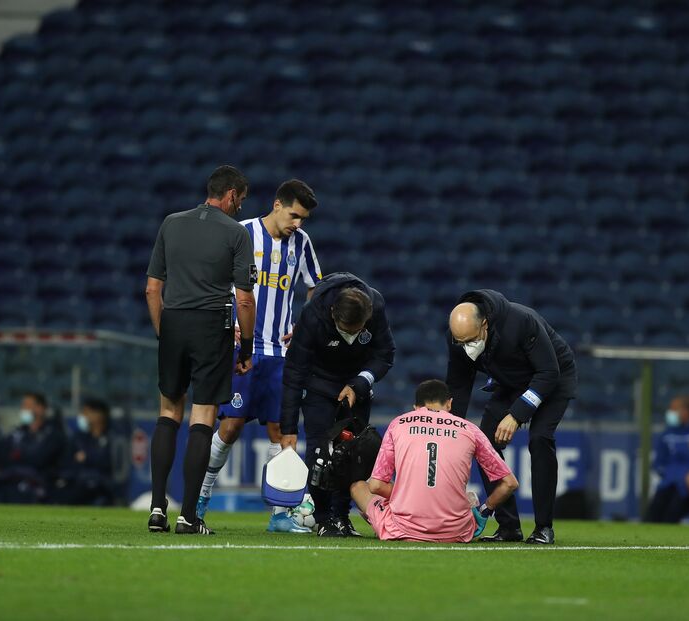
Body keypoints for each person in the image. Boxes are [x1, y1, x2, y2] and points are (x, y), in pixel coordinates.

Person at [197, 179, 322, 533]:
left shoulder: (302, 242)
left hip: (281, 353)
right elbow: (211, 277)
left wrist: (304, 325)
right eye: (295, 215)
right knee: (232, 425)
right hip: (242, 347)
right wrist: (226, 319)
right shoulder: (241, 232)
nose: (298, 223)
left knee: (280, 431)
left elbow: (316, 287)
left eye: (304, 219)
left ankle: (280, 515)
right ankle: (199, 499)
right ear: (278, 205)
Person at [144, 164, 257, 535]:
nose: (240, 206)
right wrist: (246, 347)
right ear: (230, 195)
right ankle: (188, 516)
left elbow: (152, 289)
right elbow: (244, 299)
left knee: (168, 410)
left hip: (173, 321)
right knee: (203, 414)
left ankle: (158, 508)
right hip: (212, 325)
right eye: (240, 199)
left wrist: (165, 332)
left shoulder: (171, 223)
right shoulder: (236, 233)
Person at [445, 290, 577, 545]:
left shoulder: (521, 322)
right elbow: (458, 385)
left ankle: (543, 528)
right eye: (459, 342)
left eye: (470, 340)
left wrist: (516, 415)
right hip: (511, 381)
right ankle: (508, 527)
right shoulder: (458, 336)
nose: (465, 348)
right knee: (484, 442)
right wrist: (451, 426)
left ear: (484, 323)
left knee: (539, 439)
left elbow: (549, 373)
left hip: (553, 378)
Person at [279, 272, 396, 537]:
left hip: (356, 389)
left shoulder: (375, 306)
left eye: (357, 331)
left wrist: (360, 383)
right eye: (346, 330)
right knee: (320, 454)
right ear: (333, 315)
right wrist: (288, 427)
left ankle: (342, 516)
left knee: (352, 455)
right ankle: (323, 518)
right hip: (319, 385)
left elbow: (385, 354)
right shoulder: (313, 315)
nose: (351, 336)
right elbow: (294, 371)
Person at [349, 380, 519, 543]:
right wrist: (484, 511)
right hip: (458, 531)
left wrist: (407, 495)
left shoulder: (398, 423)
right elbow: (510, 484)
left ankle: (385, 523)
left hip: (402, 529)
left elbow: (376, 486)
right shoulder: (470, 429)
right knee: (465, 499)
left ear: (415, 408)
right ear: (450, 404)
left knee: (358, 487)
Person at [646, 395, 689, 524]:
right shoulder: (667, 435)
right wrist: (672, 475)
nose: (670, 413)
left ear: (686, 411)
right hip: (668, 483)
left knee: (671, 515)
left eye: (673, 409)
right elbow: (658, 464)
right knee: (652, 516)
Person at [0, 392, 65, 503]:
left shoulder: (53, 433)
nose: (23, 409)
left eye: (27, 405)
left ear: (40, 408)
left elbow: (40, 459)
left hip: (40, 482)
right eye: (23, 405)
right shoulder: (17, 432)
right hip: (12, 478)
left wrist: (17, 455)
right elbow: (1, 454)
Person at [52, 398, 115, 506]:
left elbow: (108, 462)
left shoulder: (113, 438)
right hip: (77, 483)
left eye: (86, 412)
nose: (82, 416)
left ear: (99, 415)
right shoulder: (79, 438)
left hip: (101, 487)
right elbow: (69, 461)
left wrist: (87, 457)